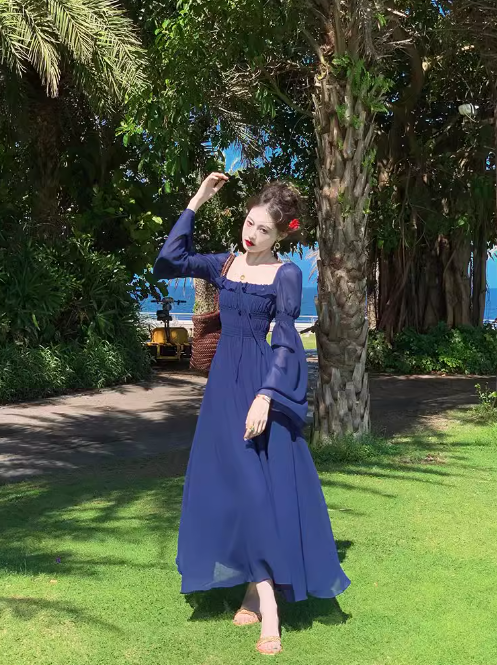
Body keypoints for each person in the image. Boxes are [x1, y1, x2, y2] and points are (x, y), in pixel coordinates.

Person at [153, 172, 350, 656]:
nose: (252, 234)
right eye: (249, 223)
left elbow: (285, 341)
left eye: (264, 229)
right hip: (223, 387)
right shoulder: (225, 264)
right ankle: (252, 591)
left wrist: (266, 396)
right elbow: (168, 260)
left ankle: (269, 606)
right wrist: (197, 199)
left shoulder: (286, 274)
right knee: (238, 489)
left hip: (261, 385)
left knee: (258, 491)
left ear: (280, 235)